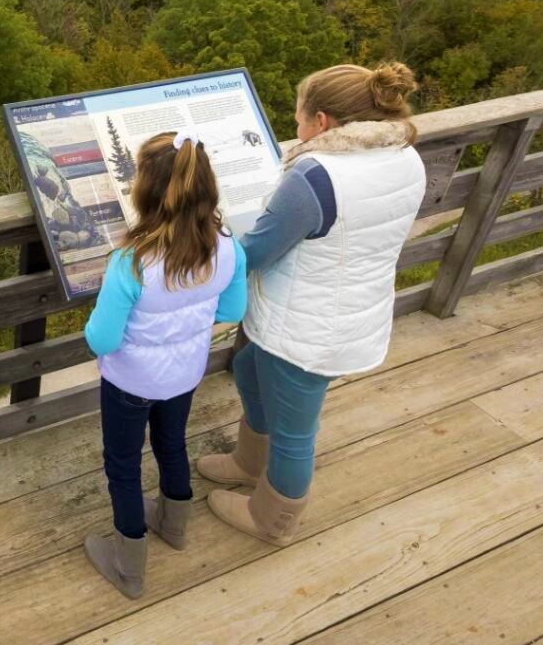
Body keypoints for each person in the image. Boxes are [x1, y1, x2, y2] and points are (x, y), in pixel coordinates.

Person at [201, 63, 426, 547]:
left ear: (322, 122)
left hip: (306, 326)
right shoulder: (404, 156)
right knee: (247, 368)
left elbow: (256, 252)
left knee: (295, 432)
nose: (295, 129)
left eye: (299, 118)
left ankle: (272, 519)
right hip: (343, 308)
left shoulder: (318, 175)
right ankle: (248, 463)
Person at [82, 132, 248, 598]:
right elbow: (232, 311)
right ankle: (174, 526)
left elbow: (102, 337)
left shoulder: (131, 262)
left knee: (123, 464)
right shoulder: (228, 247)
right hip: (184, 373)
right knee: (171, 444)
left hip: (130, 381)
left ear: (144, 192)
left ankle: (128, 566)